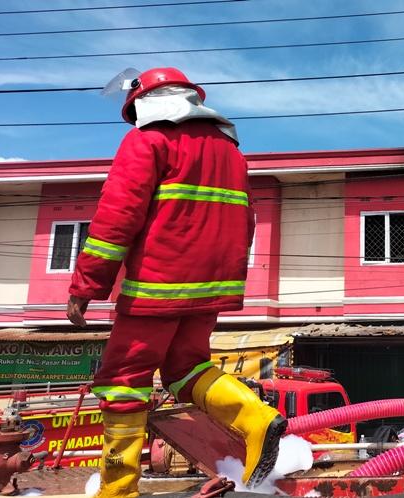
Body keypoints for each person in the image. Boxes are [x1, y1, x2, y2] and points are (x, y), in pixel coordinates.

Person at [66, 67, 285, 497]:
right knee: (186, 369)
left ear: (146, 103)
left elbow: (116, 219)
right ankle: (255, 417)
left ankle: (118, 490)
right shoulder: (231, 152)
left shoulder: (148, 141)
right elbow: (246, 219)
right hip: (211, 288)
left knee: (122, 381)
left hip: (157, 287)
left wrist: (86, 285)